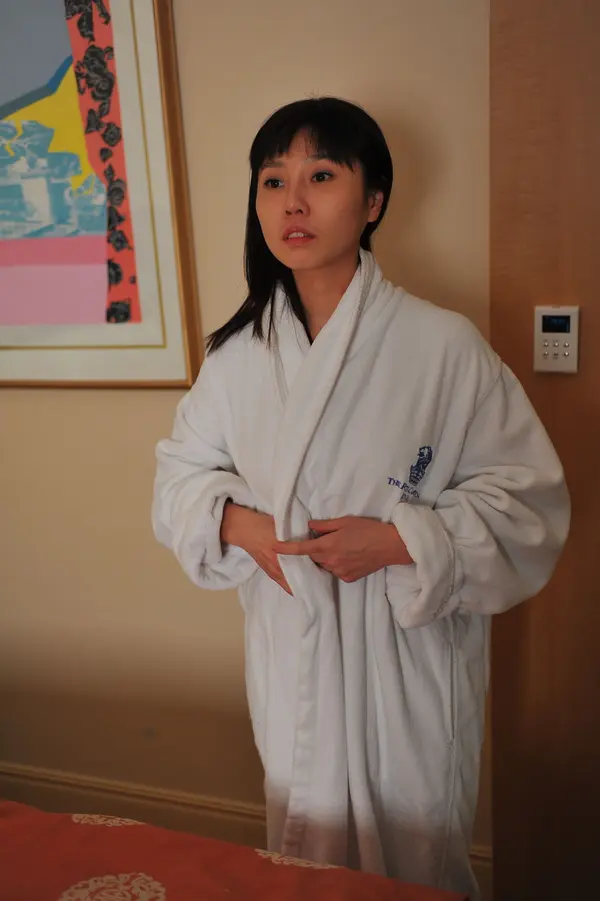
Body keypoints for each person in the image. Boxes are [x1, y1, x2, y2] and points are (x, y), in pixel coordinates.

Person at [152, 97, 570, 899]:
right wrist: (241, 525)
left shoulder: (442, 346)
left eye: (320, 176)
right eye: (273, 181)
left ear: (373, 200)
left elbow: (529, 503)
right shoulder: (238, 357)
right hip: (294, 655)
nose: (293, 202)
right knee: (302, 858)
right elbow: (178, 479)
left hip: (404, 665)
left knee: (416, 857)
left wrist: (400, 541)